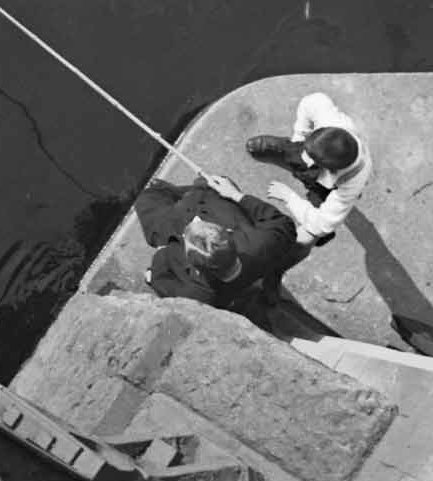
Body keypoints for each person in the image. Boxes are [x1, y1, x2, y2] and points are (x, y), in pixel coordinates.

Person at [133, 172, 310, 328]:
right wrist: (237, 195)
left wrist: (157, 264)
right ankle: (185, 191)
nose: (195, 222)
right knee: (214, 182)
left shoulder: (198, 294)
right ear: (226, 234)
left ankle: (166, 190)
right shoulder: (263, 243)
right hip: (210, 202)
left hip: (179, 218)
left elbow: (161, 281)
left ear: (195, 265)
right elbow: (283, 223)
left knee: (147, 199)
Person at [245, 91, 372, 249]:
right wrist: (299, 136)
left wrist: (289, 197)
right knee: (296, 153)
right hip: (322, 163)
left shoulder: (351, 185)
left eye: (311, 158)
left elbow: (322, 223)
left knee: (316, 230)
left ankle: (319, 229)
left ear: (329, 170)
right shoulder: (332, 122)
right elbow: (311, 101)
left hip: (328, 188)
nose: (304, 157)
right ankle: (296, 153)